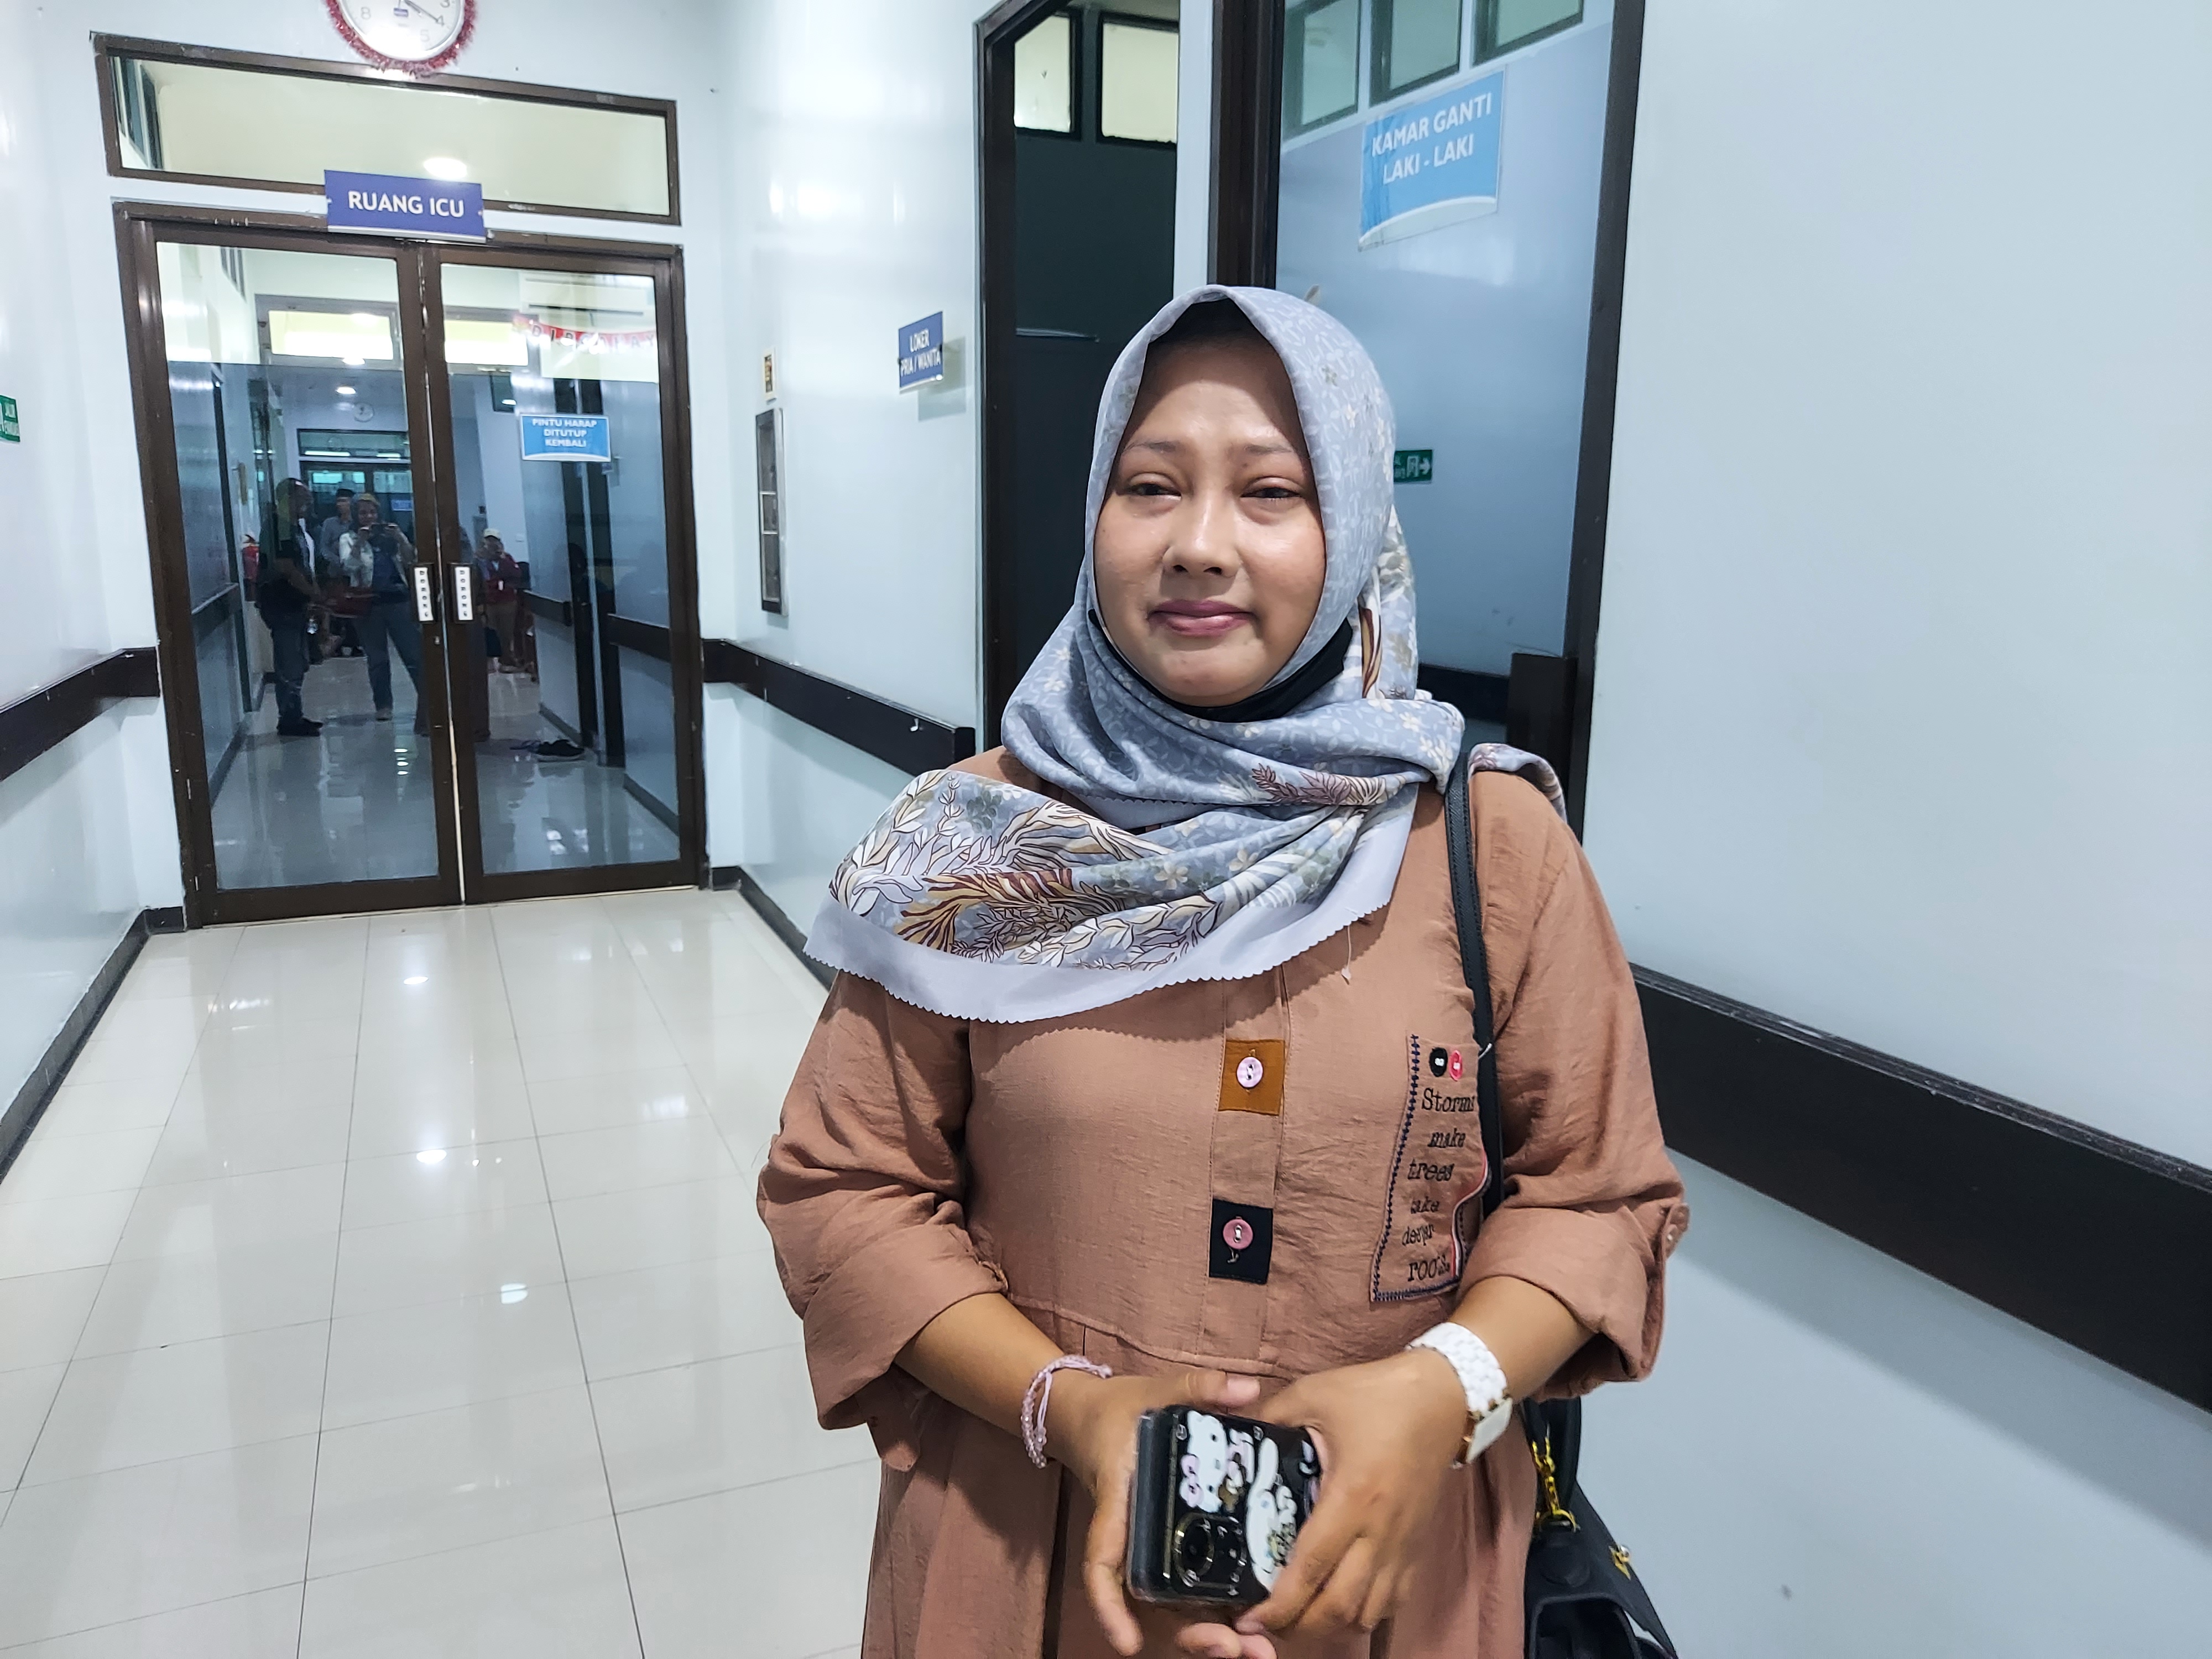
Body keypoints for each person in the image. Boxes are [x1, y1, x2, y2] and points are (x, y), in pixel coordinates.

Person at [758, 289, 1686, 1658]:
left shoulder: (1491, 845)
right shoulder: (970, 846)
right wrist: (1070, 1407)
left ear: (1355, 527)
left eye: (1270, 491)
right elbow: (843, 1193)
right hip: (1030, 1564)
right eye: (1150, 486)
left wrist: (1440, 1388)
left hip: (1395, 1575)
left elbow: (1598, 1198)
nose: (1200, 545)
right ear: (1094, 520)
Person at [337, 492, 426, 729]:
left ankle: (427, 702)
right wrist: (360, 542)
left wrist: (400, 538)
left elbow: (410, 561)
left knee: (414, 655)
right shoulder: (348, 538)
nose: (369, 517)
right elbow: (349, 567)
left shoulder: (390, 537)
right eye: (363, 513)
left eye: (372, 512)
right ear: (356, 515)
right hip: (368, 604)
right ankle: (383, 705)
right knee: (377, 659)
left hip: (398, 600)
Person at [259, 478, 322, 737]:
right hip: (281, 605)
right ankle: (289, 720)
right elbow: (287, 568)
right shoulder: (278, 527)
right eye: (303, 499)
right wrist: (313, 592)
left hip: (295, 605)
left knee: (297, 661)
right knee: (289, 662)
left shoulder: (293, 527)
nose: (307, 504)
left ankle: (294, 714)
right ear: (288, 500)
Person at [315, 486, 362, 659]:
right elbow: (324, 548)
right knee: (336, 610)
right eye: (339, 501)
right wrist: (339, 562)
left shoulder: (358, 523)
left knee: (355, 610)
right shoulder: (330, 524)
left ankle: (356, 645)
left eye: (344, 501)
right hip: (335, 573)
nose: (340, 504)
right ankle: (336, 645)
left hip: (355, 574)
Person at [478, 530, 524, 672]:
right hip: (488, 602)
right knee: (489, 631)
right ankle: (489, 663)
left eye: (495, 540)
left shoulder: (507, 558)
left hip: (507, 601)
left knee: (506, 633)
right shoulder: (479, 559)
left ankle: (507, 661)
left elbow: (517, 575)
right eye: (489, 540)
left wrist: (502, 559)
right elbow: (480, 578)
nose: (492, 544)